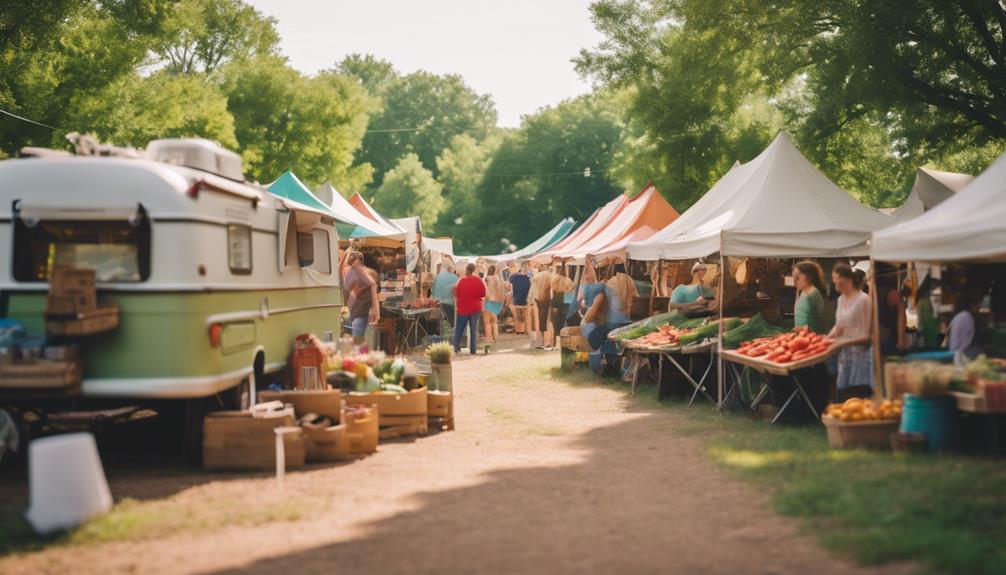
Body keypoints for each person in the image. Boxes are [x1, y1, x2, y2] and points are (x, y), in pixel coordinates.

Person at [828, 262, 873, 399]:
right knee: (843, 400)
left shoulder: (863, 300)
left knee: (858, 400)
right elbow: (839, 326)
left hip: (860, 361)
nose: (835, 285)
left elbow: (868, 336)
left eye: (838, 281)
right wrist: (825, 340)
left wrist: (842, 343)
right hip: (844, 360)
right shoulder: (841, 300)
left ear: (847, 280)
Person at [343, 251, 379, 344]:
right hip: (359, 314)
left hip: (361, 314)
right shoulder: (356, 274)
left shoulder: (367, 274)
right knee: (364, 343)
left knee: (359, 343)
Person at [452, 263, 486, 354]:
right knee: (473, 330)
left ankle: (456, 348)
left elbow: (453, 289)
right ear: (474, 270)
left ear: (466, 269)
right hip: (475, 308)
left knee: (459, 329)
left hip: (463, 307)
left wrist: (458, 296)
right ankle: (473, 350)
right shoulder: (478, 280)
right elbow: (483, 293)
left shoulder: (461, 280)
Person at [793, 261, 828, 334]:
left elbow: (823, 323)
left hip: (812, 338)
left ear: (809, 277)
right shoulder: (800, 291)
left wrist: (808, 330)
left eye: (798, 277)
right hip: (800, 337)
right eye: (794, 276)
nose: (795, 280)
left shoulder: (814, 295)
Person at [947, 292, 983, 364]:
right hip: (961, 354)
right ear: (971, 305)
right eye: (977, 304)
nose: (979, 307)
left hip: (957, 352)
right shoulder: (966, 317)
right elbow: (962, 339)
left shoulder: (961, 315)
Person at [605, 263, 639, 329]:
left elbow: (606, 297)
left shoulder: (611, 281)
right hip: (626, 318)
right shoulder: (629, 280)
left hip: (613, 319)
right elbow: (636, 296)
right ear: (625, 267)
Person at [548, 265, 574, 344]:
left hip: (557, 297)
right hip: (566, 296)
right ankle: (566, 338)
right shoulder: (569, 280)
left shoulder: (555, 279)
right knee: (567, 318)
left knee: (555, 320)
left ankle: (556, 338)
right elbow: (571, 291)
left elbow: (553, 289)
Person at [529, 263, 553, 348]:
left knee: (537, 323)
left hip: (537, 300)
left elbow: (532, 291)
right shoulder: (551, 275)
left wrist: (530, 300)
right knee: (548, 322)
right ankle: (547, 342)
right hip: (547, 300)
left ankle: (537, 342)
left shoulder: (536, 277)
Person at [483, 265, 505, 344]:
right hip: (496, 301)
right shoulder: (497, 279)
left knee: (487, 322)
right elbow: (501, 290)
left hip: (488, 301)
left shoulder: (486, 279)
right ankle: (496, 337)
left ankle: (489, 338)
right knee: (494, 321)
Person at [431, 263, 459, 327]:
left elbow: (433, 293)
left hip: (442, 303)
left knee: (443, 323)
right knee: (451, 323)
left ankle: (443, 334)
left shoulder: (438, 277)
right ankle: (450, 334)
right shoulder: (456, 277)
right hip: (454, 303)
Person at [508, 262, 532, 334]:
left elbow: (510, 284)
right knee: (526, 316)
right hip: (525, 299)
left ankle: (519, 330)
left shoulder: (513, 276)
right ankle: (526, 330)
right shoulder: (529, 276)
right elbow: (532, 278)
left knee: (517, 316)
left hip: (517, 299)